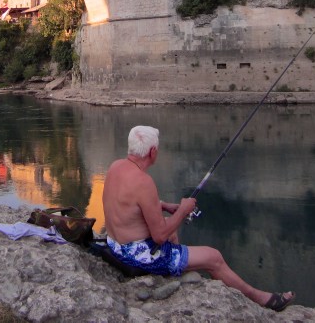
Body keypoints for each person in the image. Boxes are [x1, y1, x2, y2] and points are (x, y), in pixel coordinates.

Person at [102, 125, 294, 313]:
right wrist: (183, 210)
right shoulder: (144, 182)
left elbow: (127, 201)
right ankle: (261, 298)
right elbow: (159, 236)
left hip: (115, 245)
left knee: (172, 231)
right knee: (214, 257)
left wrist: (163, 205)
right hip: (136, 256)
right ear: (152, 152)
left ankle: (178, 269)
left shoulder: (115, 167)